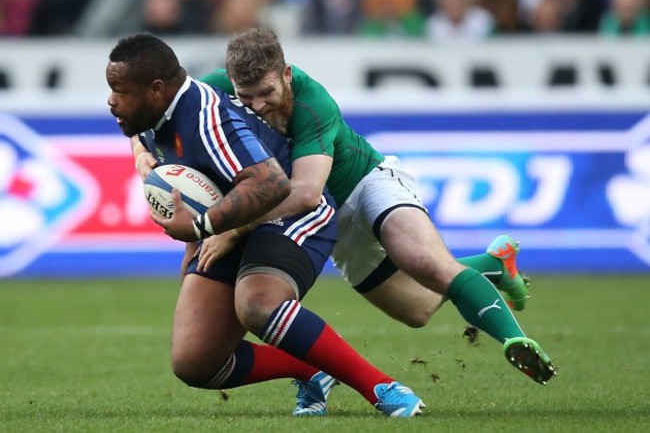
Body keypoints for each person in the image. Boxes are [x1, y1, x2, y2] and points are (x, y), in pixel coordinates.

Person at [131, 28, 557, 415]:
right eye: (247, 97)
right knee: (418, 308)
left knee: (427, 263)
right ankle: (493, 263)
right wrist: (140, 150)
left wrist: (231, 228)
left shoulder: (314, 105)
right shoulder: (219, 90)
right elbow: (156, 109)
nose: (258, 106)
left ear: (286, 74)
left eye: (266, 92)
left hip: (364, 185)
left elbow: (304, 193)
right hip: (320, 210)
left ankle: (513, 339)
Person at [107, 32, 425, 418]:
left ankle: (381, 387)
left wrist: (204, 226)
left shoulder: (206, 118)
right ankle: (311, 370)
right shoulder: (154, 111)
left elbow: (272, 184)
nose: (112, 101)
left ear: (156, 89)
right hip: (231, 217)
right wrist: (141, 152)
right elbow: (158, 144)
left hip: (289, 209)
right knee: (195, 362)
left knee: (257, 303)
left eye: (118, 91)